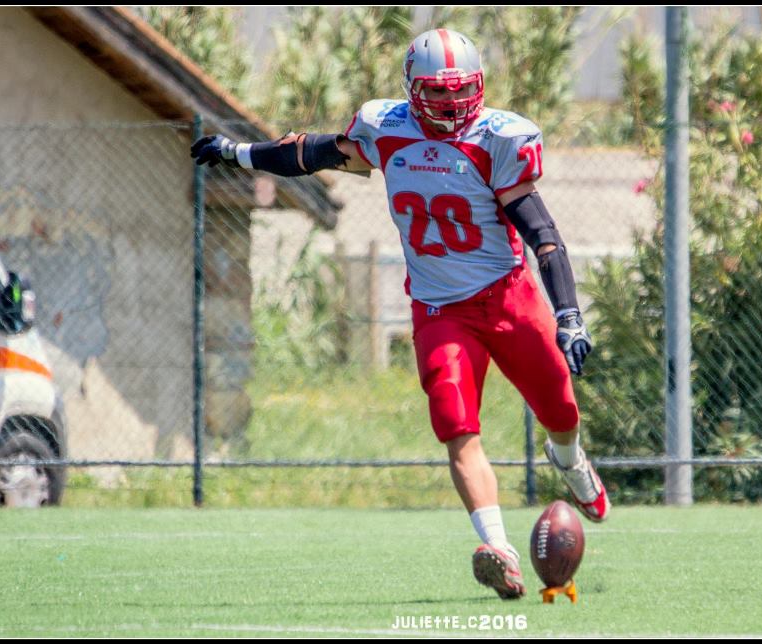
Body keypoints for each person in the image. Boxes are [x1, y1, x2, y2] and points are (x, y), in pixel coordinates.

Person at [191, 28, 609, 600]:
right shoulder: (385, 130)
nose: (450, 103)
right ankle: (499, 550)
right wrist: (238, 153)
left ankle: (568, 458)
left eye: (460, 90)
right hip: (440, 308)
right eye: (437, 92)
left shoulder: (498, 138)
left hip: (508, 294)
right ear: (413, 91)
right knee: (456, 425)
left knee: (560, 407)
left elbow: (544, 234)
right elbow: (310, 153)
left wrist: (568, 314)